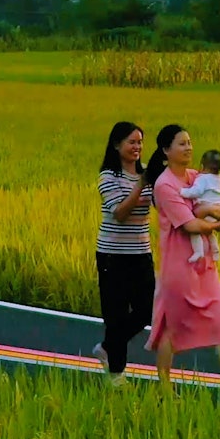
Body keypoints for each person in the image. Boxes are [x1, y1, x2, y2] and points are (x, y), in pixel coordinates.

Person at [145, 124, 220, 401]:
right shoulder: (165, 185)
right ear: (165, 151)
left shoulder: (196, 177)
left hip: (203, 263)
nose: (189, 148)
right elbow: (190, 225)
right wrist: (215, 220)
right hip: (180, 267)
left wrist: (212, 212)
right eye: (181, 144)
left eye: (190, 142)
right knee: (173, 326)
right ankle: (165, 388)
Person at [93, 121, 153, 386]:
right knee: (115, 314)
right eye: (131, 142)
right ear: (117, 145)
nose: (137, 147)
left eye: (140, 142)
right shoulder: (109, 177)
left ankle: (107, 347)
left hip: (141, 253)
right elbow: (119, 213)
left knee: (146, 311)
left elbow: (168, 203)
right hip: (112, 256)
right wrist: (141, 184)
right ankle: (116, 375)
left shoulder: (147, 175)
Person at [180, 148, 220, 263]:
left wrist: (182, 192)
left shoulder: (202, 178)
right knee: (209, 232)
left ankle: (198, 251)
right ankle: (216, 251)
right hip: (217, 212)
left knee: (195, 231)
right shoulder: (218, 179)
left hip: (204, 210)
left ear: (202, 166)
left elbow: (196, 192)